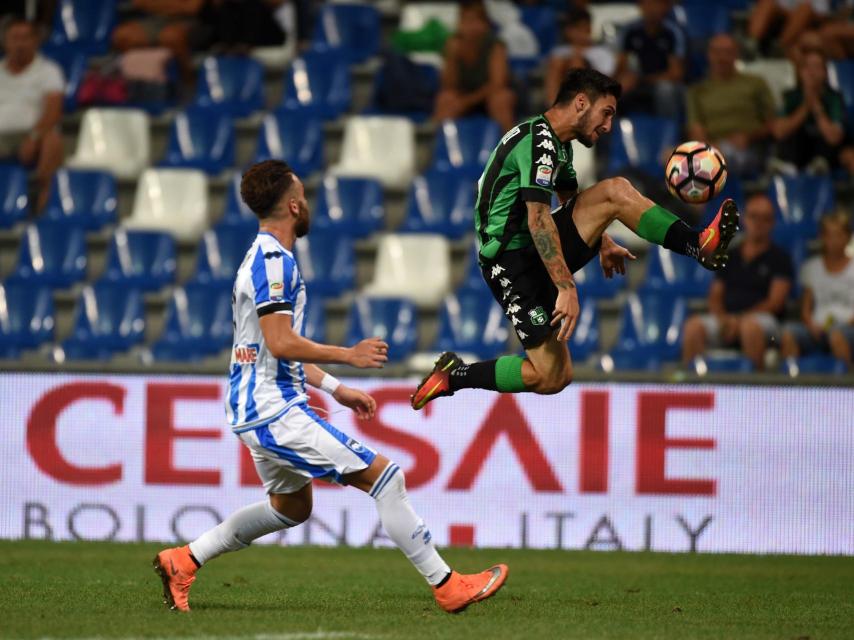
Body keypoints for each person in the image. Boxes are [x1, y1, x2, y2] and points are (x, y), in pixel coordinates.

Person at [153, 160, 508, 614]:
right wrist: (349, 355)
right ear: (295, 205)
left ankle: (184, 559)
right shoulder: (273, 262)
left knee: (290, 507)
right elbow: (281, 344)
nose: (309, 204)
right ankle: (447, 585)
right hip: (272, 409)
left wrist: (336, 388)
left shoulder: (263, 256)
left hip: (257, 406)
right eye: (305, 195)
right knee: (386, 477)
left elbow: (267, 345)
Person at [411, 68, 739, 409]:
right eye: (606, 113)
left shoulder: (559, 145)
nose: (608, 126)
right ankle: (453, 377)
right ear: (581, 102)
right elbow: (538, 219)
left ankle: (698, 243)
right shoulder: (538, 142)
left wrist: (603, 240)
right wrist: (566, 287)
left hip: (530, 251)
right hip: (510, 263)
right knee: (552, 376)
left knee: (614, 192)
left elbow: (571, 199)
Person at [681, 194, 794, 371]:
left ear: (772, 223)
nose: (758, 223)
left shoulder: (780, 258)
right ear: (745, 219)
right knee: (693, 326)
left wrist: (739, 320)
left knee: (750, 327)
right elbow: (715, 295)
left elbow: (775, 302)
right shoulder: (730, 254)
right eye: (754, 216)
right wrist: (724, 319)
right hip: (727, 318)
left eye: (765, 219)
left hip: (763, 321)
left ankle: (753, 391)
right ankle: (693, 390)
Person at [686, 34, 776, 177]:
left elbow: (773, 123)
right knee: (668, 156)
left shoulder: (755, 83)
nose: (722, 58)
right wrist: (710, 148)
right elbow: (695, 128)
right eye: (717, 52)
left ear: (736, 55)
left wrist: (749, 136)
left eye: (727, 52)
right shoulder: (697, 91)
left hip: (749, 148)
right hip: (712, 148)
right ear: (709, 55)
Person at [0, 18, 64, 212]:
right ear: (5, 41)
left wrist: (34, 137)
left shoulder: (49, 71)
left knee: (53, 141)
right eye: (15, 38)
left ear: (36, 41)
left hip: (34, 135)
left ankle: (40, 206)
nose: (20, 43)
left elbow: (53, 111)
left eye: (26, 38)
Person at [780, 211, 854, 368]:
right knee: (788, 333)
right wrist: (810, 324)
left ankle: (847, 385)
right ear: (822, 237)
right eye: (829, 235)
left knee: (837, 334)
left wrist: (847, 324)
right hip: (817, 329)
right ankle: (792, 384)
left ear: (848, 237)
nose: (834, 240)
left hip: (848, 328)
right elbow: (806, 309)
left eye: (838, 235)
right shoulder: (811, 267)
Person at [433, 0, 516, 132]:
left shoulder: (496, 46)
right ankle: (439, 148)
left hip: (487, 97)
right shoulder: (453, 44)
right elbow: (448, 85)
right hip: (462, 97)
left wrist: (466, 102)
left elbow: (497, 84)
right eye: (464, 21)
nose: (469, 26)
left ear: (485, 24)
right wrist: (452, 57)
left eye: (473, 21)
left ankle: (511, 146)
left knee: (501, 99)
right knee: (445, 99)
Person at [772, 48, 847, 173]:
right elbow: (779, 132)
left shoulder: (834, 98)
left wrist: (815, 104)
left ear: (825, 72)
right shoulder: (789, 96)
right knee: (795, 130)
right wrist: (807, 105)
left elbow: (833, 137)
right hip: (795, 152)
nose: (811, 72)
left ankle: (817, 166)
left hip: (824, 154)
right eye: (807, 67)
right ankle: (789, 166)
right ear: (800, 72)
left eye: (817, 67)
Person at [614, 0, 686, 120]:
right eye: (648, 3)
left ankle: (668, 131)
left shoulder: (673, 32)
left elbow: (676, 74)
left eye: (656, 3)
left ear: (665, 7)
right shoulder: (629, 31)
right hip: (636, 81)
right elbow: (620, 66)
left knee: (665, 89)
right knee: (616, 87)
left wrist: (643, 79)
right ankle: (612, 132)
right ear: (640, 6)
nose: (652, 9)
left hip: (663, 82)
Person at [544, 7, 617, 106]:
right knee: (559, 61)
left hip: (594, 97)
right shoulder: (559, 52)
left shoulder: (602, 52)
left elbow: (606, 80)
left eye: (582, 27)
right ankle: (553, 107)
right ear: (567, 30)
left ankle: (576, 108)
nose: (578, 32)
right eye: (574, 28)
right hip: (562, 95)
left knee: (576, 62)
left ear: (589, 29)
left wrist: (581, 59)